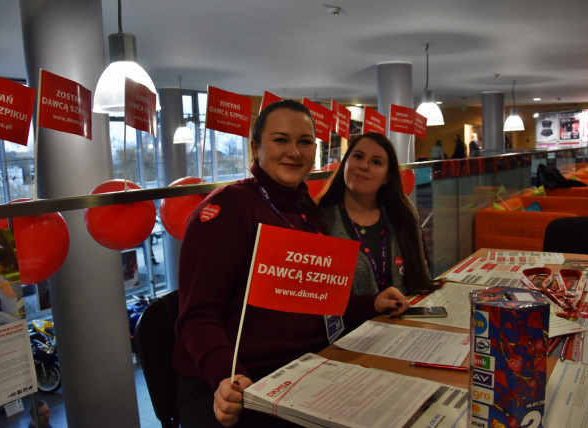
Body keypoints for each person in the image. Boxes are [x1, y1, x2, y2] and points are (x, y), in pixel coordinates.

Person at [172, 100, 409, 428]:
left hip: (306, 368)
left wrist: (371, 303)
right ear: (256, 148)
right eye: (281, 139)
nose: (294, 152)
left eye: (305, 142)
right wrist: (228, 376)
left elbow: (312, 300)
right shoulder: (226, 210)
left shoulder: (306, 211)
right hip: (235, 384)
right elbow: (197, 317)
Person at [316, 133, 438, 313]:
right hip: (354, 328)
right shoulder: (321, 219)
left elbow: (421, 275)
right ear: (345, 163)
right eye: (358, 156)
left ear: (387, 176)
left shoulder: (401, 209)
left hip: (406, 320)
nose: (364, 166)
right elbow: (320, 300)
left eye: (376, 162)